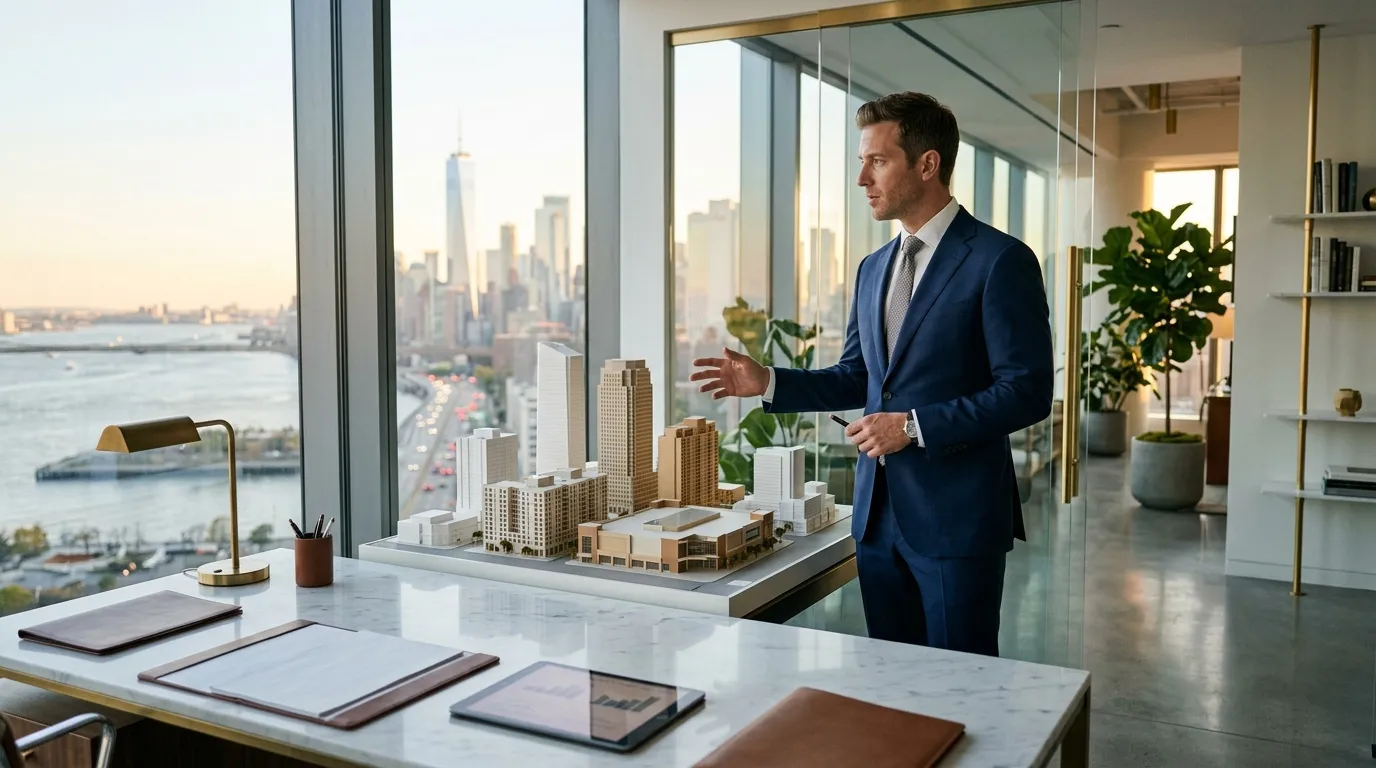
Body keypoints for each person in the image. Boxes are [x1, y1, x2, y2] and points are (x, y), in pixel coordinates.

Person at [691, 92, 1052, 657]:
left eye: (877, 160)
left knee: (963, 686)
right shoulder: (873, 267)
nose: (862, 178)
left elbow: (1027, 392)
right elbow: (859, 375)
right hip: (877, 520)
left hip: (956, 524)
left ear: (926, 164)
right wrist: (768, 383)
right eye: (862, 161)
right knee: (891, 685)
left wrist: (910, 427)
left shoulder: (1000, 261)